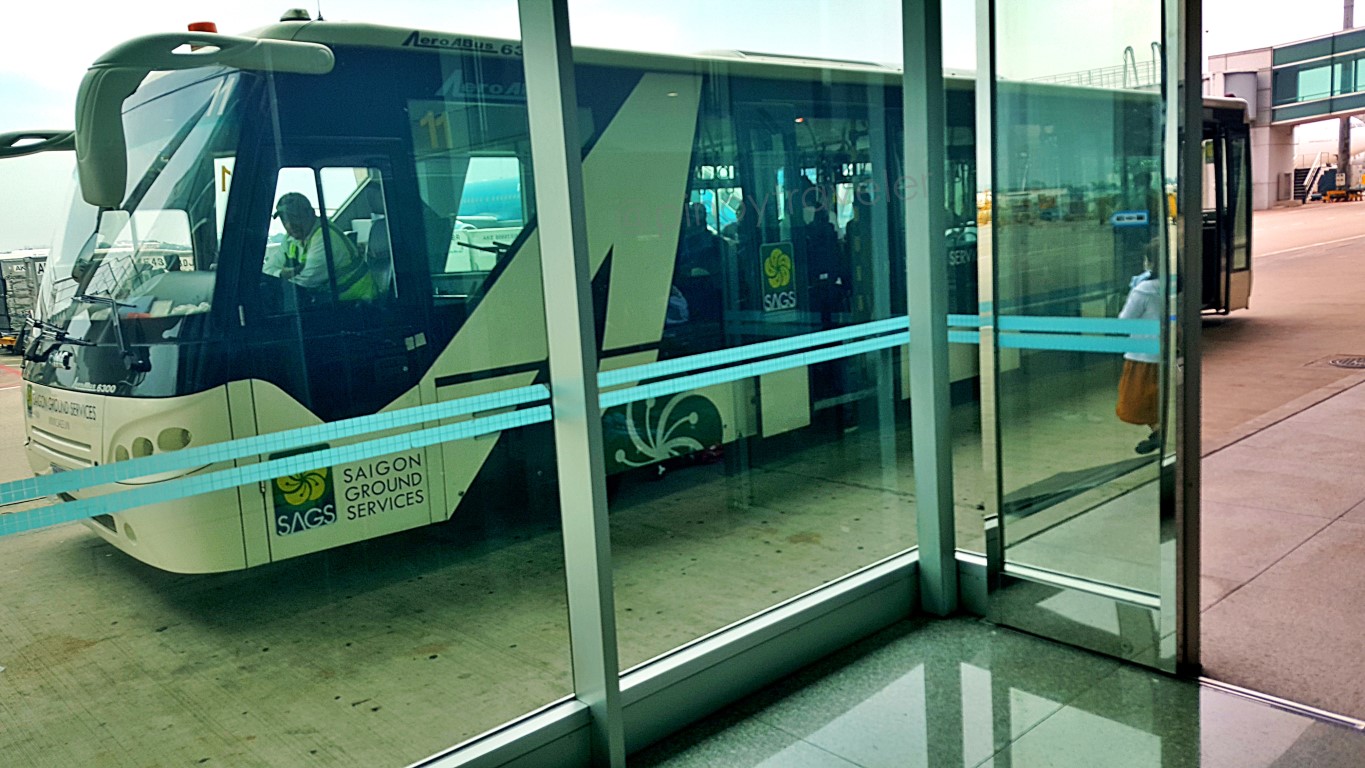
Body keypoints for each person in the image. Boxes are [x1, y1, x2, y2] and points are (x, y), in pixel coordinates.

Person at [270, 192, 378, 302]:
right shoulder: (291, 238)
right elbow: (268, 269)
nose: (290, 224)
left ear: (311, 213)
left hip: (359, 301)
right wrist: (280, 274)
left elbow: (303, 283)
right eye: (284, 219)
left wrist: (281, 278)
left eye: (295, 217)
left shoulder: (325, 238)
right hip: (334, 300)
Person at [1116, 245, 1162, 454]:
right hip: (1165, 352)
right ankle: (1158, 431)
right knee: (1153, 400)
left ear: (1151, 262)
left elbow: (1125, 320)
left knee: (1135, 402)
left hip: (1143, 354)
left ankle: (1159, 432)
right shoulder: (1175, 284)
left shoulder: (1144, 289)